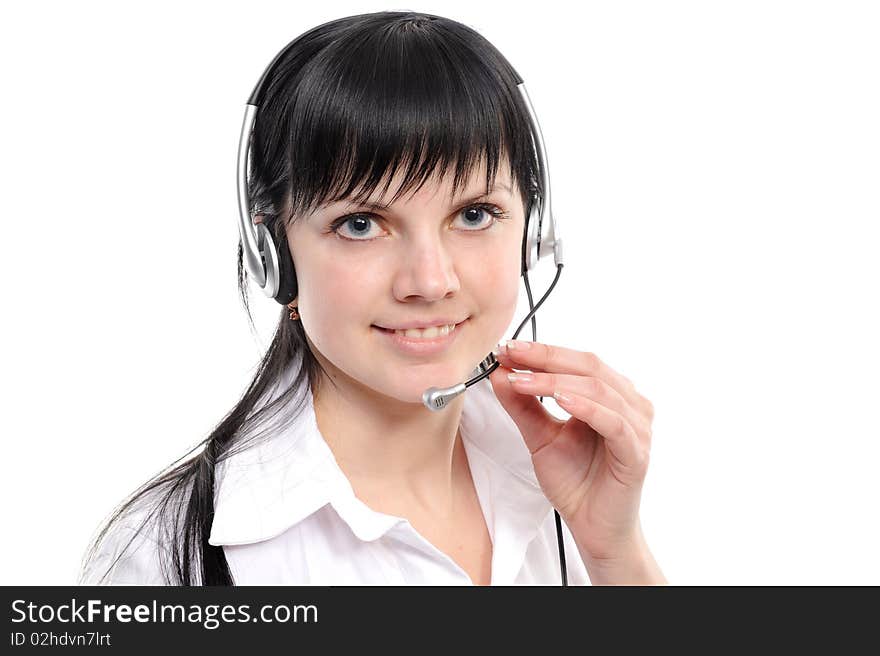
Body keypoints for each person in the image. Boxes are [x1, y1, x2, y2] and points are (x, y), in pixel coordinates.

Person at [78, 10, 666, 586]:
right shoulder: (163, 557)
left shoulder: (553, 480)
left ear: (533, 234)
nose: (430, 282)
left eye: (474, 214)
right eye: (361, 223)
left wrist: (614, 552)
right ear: (274, 257)